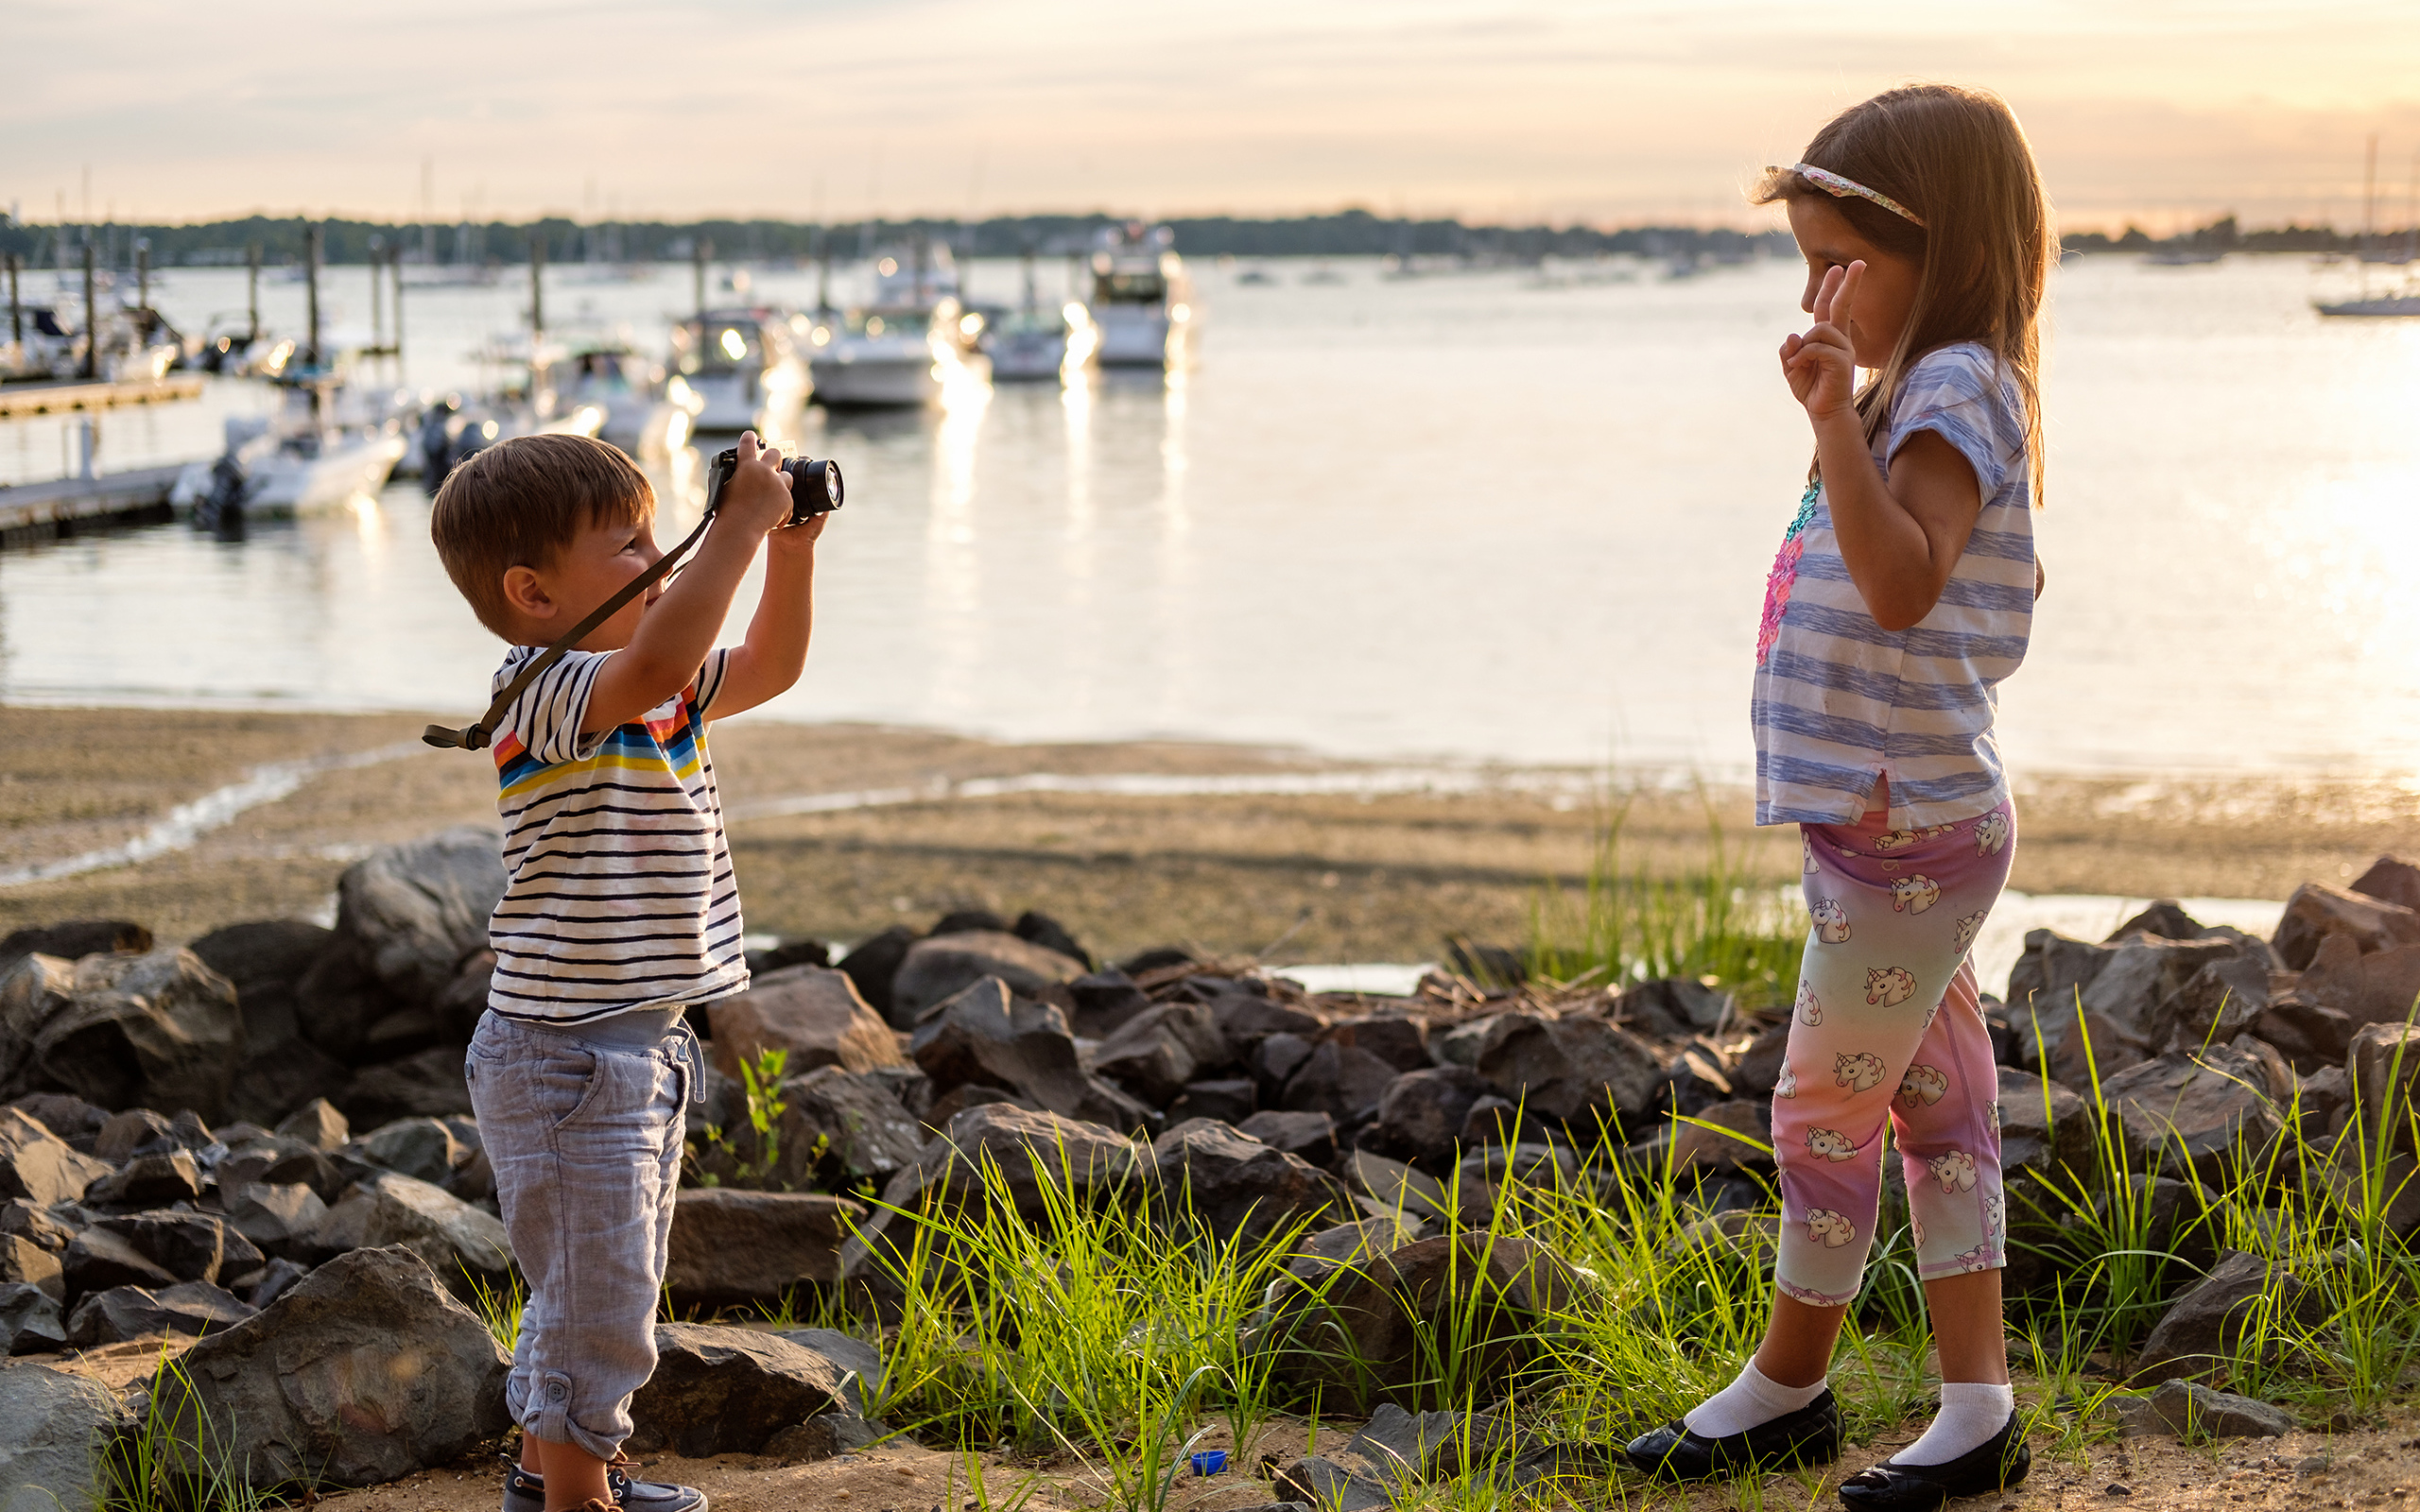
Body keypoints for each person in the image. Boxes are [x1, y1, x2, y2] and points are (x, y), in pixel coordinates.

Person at [1625, 84, 2050, 1511]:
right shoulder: (1907, 391)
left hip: (1908, 833)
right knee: (1937, 1106)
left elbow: (1902, 581)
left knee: (1819, 1107)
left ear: (1947, 250)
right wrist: (1838, 416)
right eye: (1805, 260)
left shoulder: (1952, 390)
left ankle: (1788, 1384)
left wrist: (1828, 431)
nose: (1817, 293)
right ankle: (1977, 1406)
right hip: (1887, 827)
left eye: (1842, 262)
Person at [429, 431, 822, 1512]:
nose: (663, 560)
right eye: (631, 547)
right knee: (594, 1297)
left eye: (662, 537)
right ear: (533, 595)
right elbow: (648, 660)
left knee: (606, 1286)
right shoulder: (543, 689)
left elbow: (775, 664)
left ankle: (552, 1473)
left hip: (639, 1038)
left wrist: (786, 549)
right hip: (561, 1055)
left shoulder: (661, 692)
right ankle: (575, 1501)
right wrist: (734, 526)